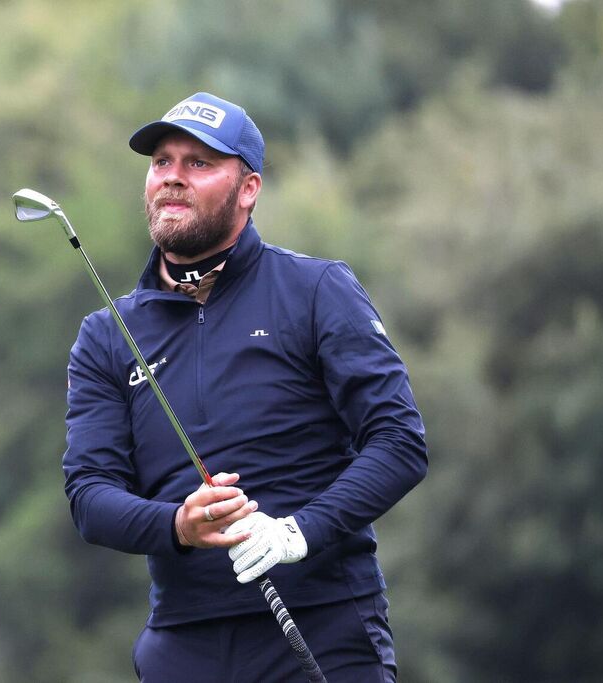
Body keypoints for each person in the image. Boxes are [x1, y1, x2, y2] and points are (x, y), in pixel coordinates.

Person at [61, 91, 428, 682]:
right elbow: (90, 493)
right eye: (162, 163)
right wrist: (177, 525)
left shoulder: (316, 291)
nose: (172, 178)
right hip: (182, 642)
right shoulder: (107, 335)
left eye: (198, 164)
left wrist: (297, 532)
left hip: (323, 625)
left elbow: (399, 442)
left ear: (249, 188)